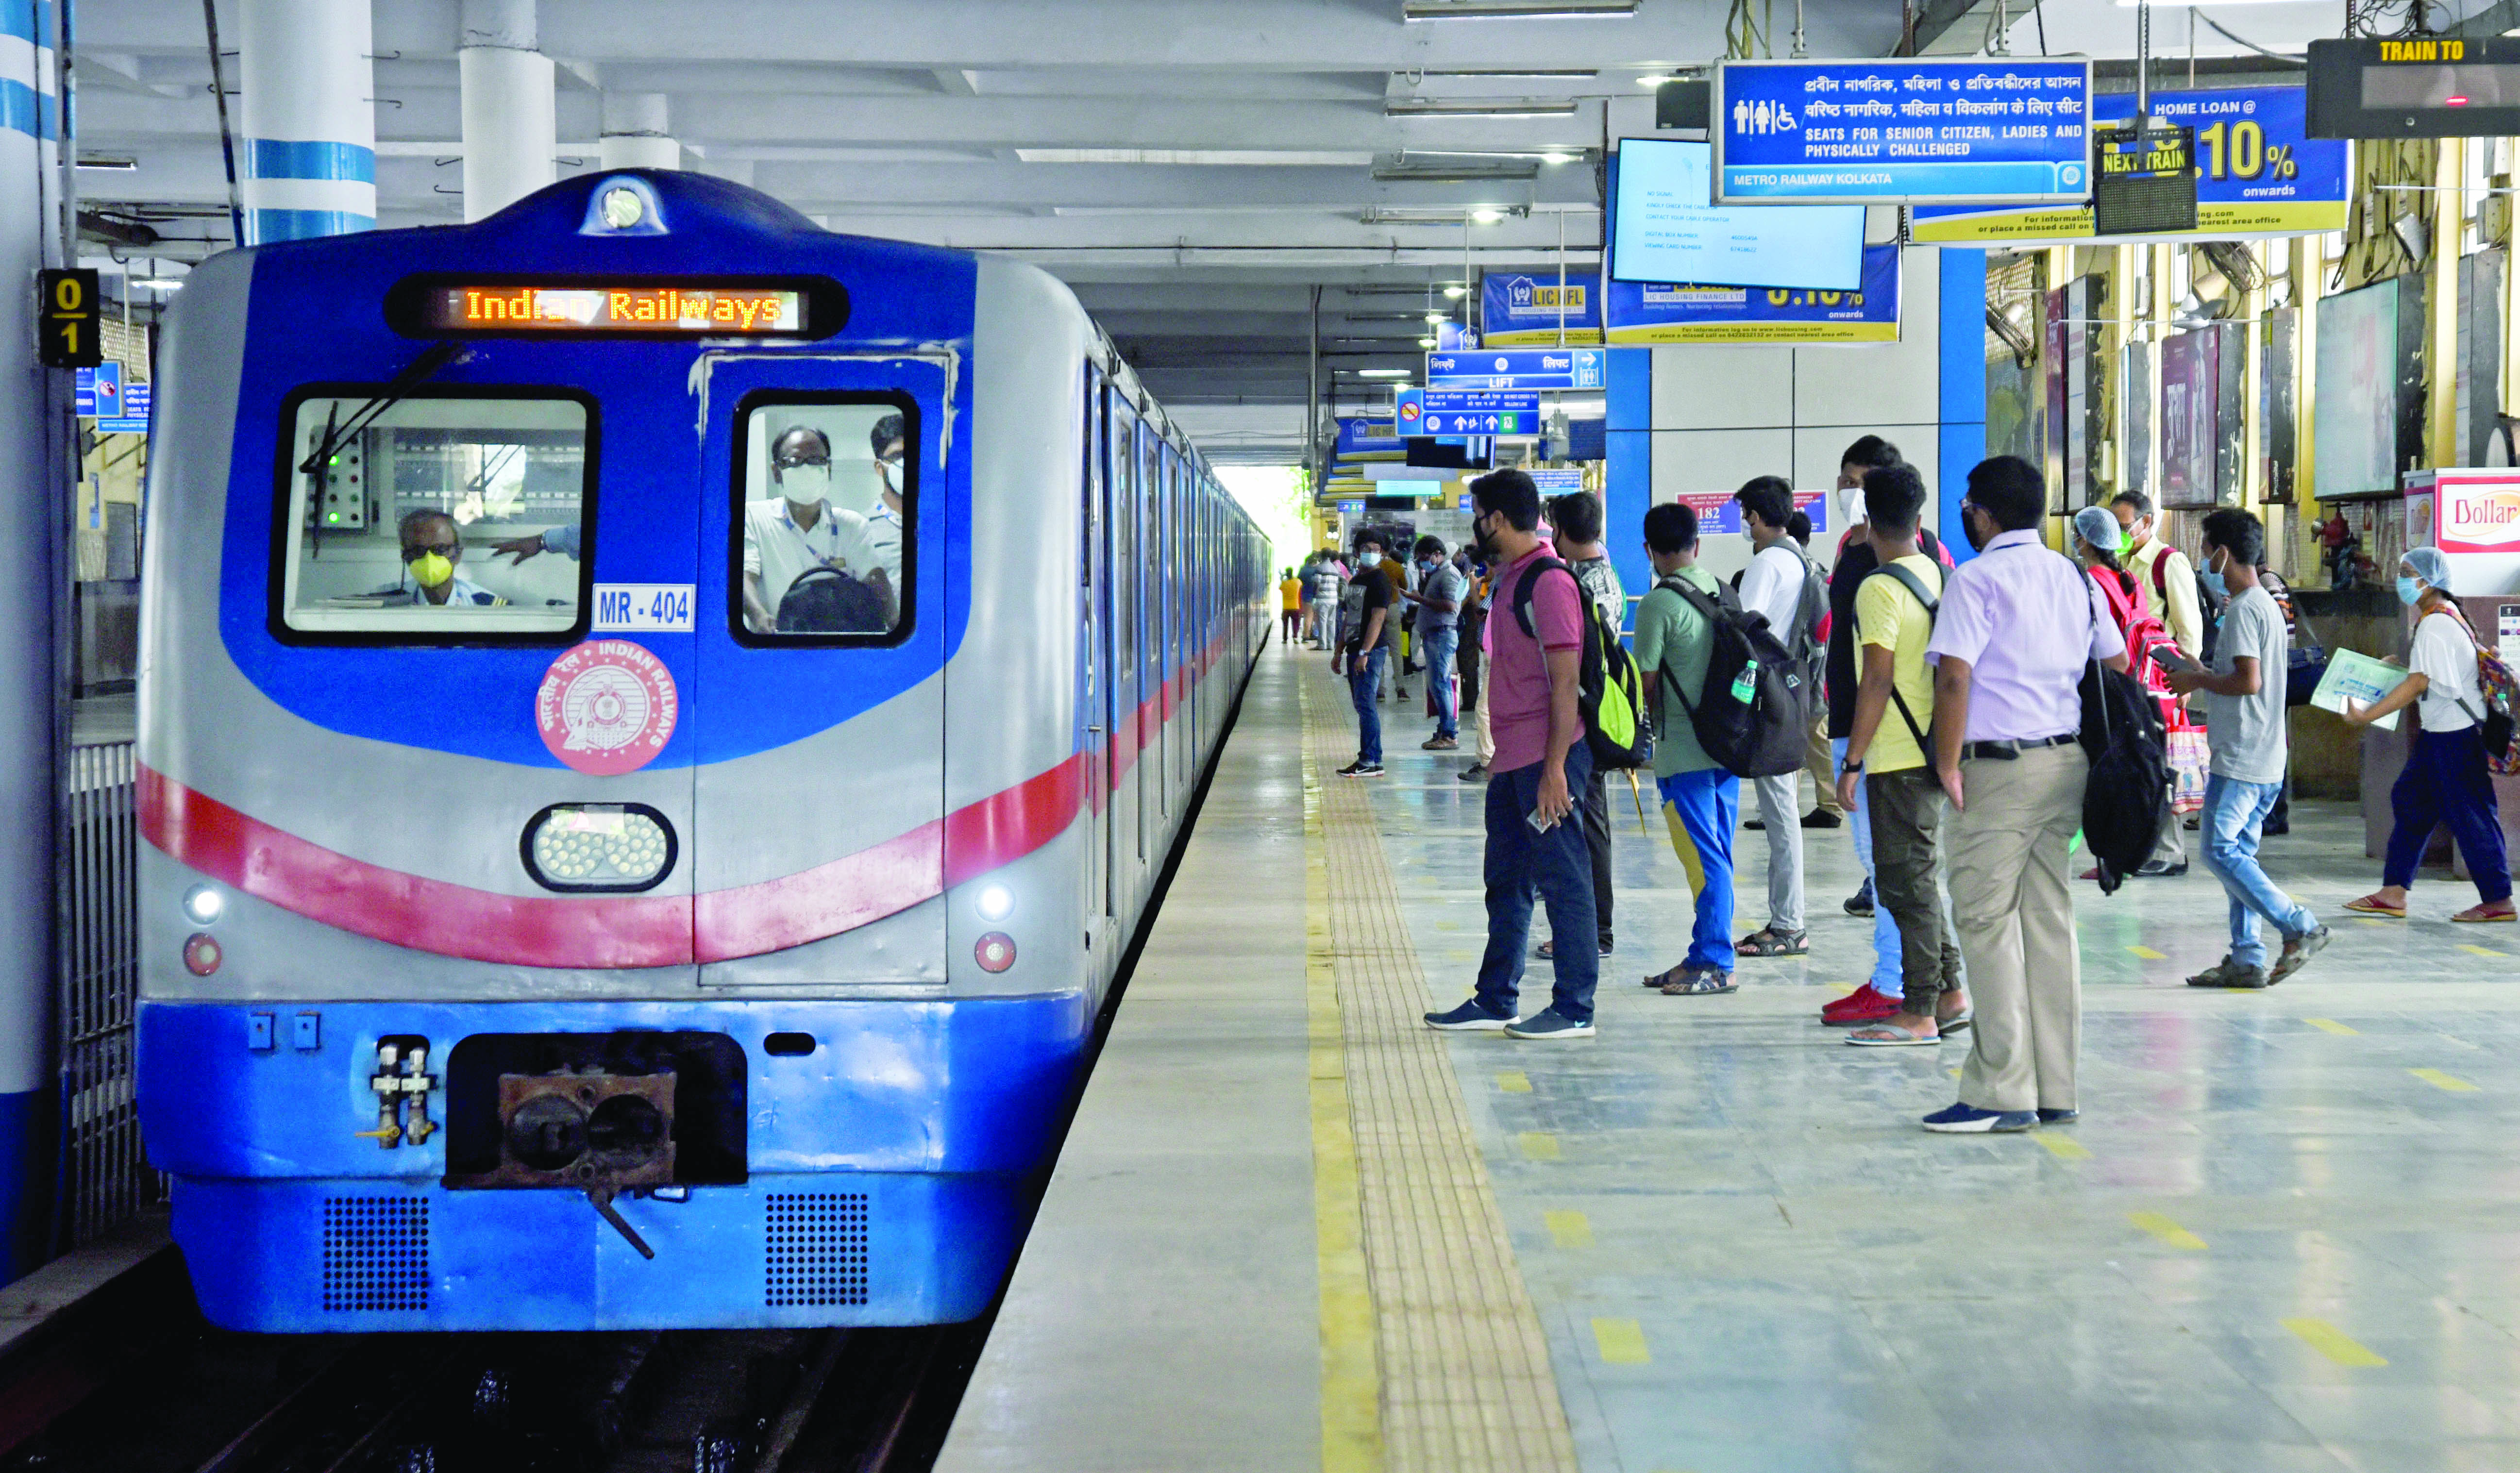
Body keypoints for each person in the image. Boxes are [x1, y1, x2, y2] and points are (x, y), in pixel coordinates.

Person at [1920, 456, 2129, 1134]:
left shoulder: (1975, 580)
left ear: (1982, 513)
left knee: (1984, 922)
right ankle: (2055, 1085)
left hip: (1996, 771)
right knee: (2047, 920)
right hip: (2064, 763)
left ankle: (2000, 1090)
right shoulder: (2074, 575)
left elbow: (1953, 678)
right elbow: (2116, 662)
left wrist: (1945, 763)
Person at [1425, 469, 1598, 1039]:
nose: (1474, 526)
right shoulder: (1510, 577)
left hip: (1547, 759)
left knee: (1564, 879)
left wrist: (1553, 771)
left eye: (1478, 515)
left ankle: (1575, 1007)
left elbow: (1565, 683)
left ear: (1497, 519)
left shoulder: (1548, 583)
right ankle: (1497, 997)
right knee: (1506, 879)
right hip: (1512, 759)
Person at [1818, 437, 1956, 1026]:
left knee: (1901, 882)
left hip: (1891, 749)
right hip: (1922, 741)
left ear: (1871, 516)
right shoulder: (1933, 569)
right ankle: (1947, 991)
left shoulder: (1883, 582)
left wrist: (1853, 764)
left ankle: (1914, 1001)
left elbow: (1876, 679)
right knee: (1912, 876)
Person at [2169, 510, 2331, 988]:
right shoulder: (2260, 604)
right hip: (2264, 753)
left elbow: (2247, 680)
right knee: (2239, 853)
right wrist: (2199, 666)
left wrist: (2197, 678)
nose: (2202, 560)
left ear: (2222, 553)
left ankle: (2298, 925)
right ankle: (2246, 957)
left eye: (2204, 550)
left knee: (2218, 850)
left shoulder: (2242, 607)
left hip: (2242, 756)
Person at [2340, 547, 2515, 922]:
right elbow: (2430, 674)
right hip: (2442, 733)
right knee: (2412, 802)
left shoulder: (2436, 623)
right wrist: (2398, 668)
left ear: (2428, 580)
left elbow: (2421, 682)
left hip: (2454, 736)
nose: (2401, 579)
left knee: (2471, 815)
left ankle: (2498, 900)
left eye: (2407, 572)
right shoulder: (2444, 616)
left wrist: (2368, 715)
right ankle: (2393, 892)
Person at [1633, 501, 1740, 995]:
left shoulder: (1658, 604)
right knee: (1717, 854)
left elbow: (1645, 683)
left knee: (1705, 859)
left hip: (1683, 753)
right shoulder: (1724, 590)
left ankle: (1716, 961)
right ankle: (1702, 953)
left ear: (1649, 550)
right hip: (1728, 746)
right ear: (1697, 545)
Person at [1730, 475, 1819, 959]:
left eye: (1747, 515)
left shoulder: (1768, 562)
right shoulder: (1801, 559)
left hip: (1768, 694)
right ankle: (1784, 919)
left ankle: (1789, 923)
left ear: (1759, 517)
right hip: (1793, 687)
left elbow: (1747, 631)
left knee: (1781, 812)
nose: (1745, 524)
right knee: (1780, 809)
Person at [2071, 504, 2185, 880]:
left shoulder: (2091, 582)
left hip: (2107, 684)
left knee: (2110, 771)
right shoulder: (2128, 579)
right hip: (2140, 684)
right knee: (2141, 764)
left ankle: (2119, 852)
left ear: (2085, 540)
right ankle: (2141, 849)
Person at [1543, 492, 1622, 960]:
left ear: (1562, 532)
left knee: (1585, 825)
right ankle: (1593, 927)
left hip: (1585, 717)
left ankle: (1594, 931)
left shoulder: (1578, 586)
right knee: (1588, 822)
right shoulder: (1605, 575)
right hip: (1597, 711)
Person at [2112, 490, 2201, 874]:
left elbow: (2189, 628)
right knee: (2138, 764)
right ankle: (2145, 848)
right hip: (2131, 681)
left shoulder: (2169, 562)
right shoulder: (2122, 561)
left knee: (2161, 763)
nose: (2119, 533)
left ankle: (2170, 852)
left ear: (2147, 522)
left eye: (2124, 526)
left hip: (2162, 683)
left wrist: (2188, 683)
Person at [741, 426, 890, 633]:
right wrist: (758, 616)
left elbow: (876, 581)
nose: (807, 469)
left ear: (828, 468)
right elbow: (745, 577)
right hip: (777, 648)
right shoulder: (754, 518)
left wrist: (899, 632)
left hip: (838, 649)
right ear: (777, 472)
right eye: (795, 461)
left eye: (816, 460)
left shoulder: (852, 525)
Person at [1334, 531, 1395, 777]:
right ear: (1357, 551)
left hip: (1369, 651)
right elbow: (1349, 616)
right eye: (1366, 548)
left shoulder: (1381, 581)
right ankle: (1373, 759)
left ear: (1382, 552)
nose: (1371, 552)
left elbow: (1377, 619)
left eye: (1376, 548)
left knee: (1366, 705)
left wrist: (1364, 652)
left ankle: (1369, 759)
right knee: (1362, 704)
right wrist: (1339, 650)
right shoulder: (1357, 580)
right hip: (1354, 649)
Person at [1401, 536, 1467, 751]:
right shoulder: (1438, 573)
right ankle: (1444, 729)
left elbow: (1450, 605)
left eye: (1425, 557)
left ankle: (1449, 734)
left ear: (1438, 554)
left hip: (1441, 635)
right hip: (1435, 635)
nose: (1422, 562)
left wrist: (1420, 600)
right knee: (1438, 684)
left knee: (1442, 683)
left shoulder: (1448, 575)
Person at [392, 509, 506, 606]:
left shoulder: (487, 606)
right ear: (405, 556)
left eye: (440, 550)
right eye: (418, 551)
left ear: (458, 554)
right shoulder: (387, 602)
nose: (429, 559)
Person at [1459, 560, 1495, 782]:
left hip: (1497, 654)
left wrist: (1473, 588)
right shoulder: (1494, 583)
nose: (1483, 571)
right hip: (1491, 651)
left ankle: (1488, 762)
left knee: (1484, 710)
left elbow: (1482, 612)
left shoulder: (1498, 583)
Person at [865, 412, 909, 588]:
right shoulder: (861, 528)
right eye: (898, 456)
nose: (908, 462)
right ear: (879, 468)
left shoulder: (940, 520)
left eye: (913, 454)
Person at [1307, 551, 1343, 648]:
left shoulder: (1320, 568)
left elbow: (1317, 583)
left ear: (1322, 556)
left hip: (1323, 599)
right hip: (1333, 599)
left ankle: (1322, 645)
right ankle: (1331, 644)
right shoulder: (1335, 569)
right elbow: (1337, 585)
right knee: (1331, 622)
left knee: (1322, 622)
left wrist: (1315, 597)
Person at [1279, 566, 1304, 642]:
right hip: (1295, 607)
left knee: (1285, 625)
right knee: (1296, 623)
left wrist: (1282, 578)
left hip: (1286, 608)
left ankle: (1285, 639)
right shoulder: (1297, 582)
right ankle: (1295, 637)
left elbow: (1280, 588)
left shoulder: (1284, 583)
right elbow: (1301, 585)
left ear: (1286, 574)